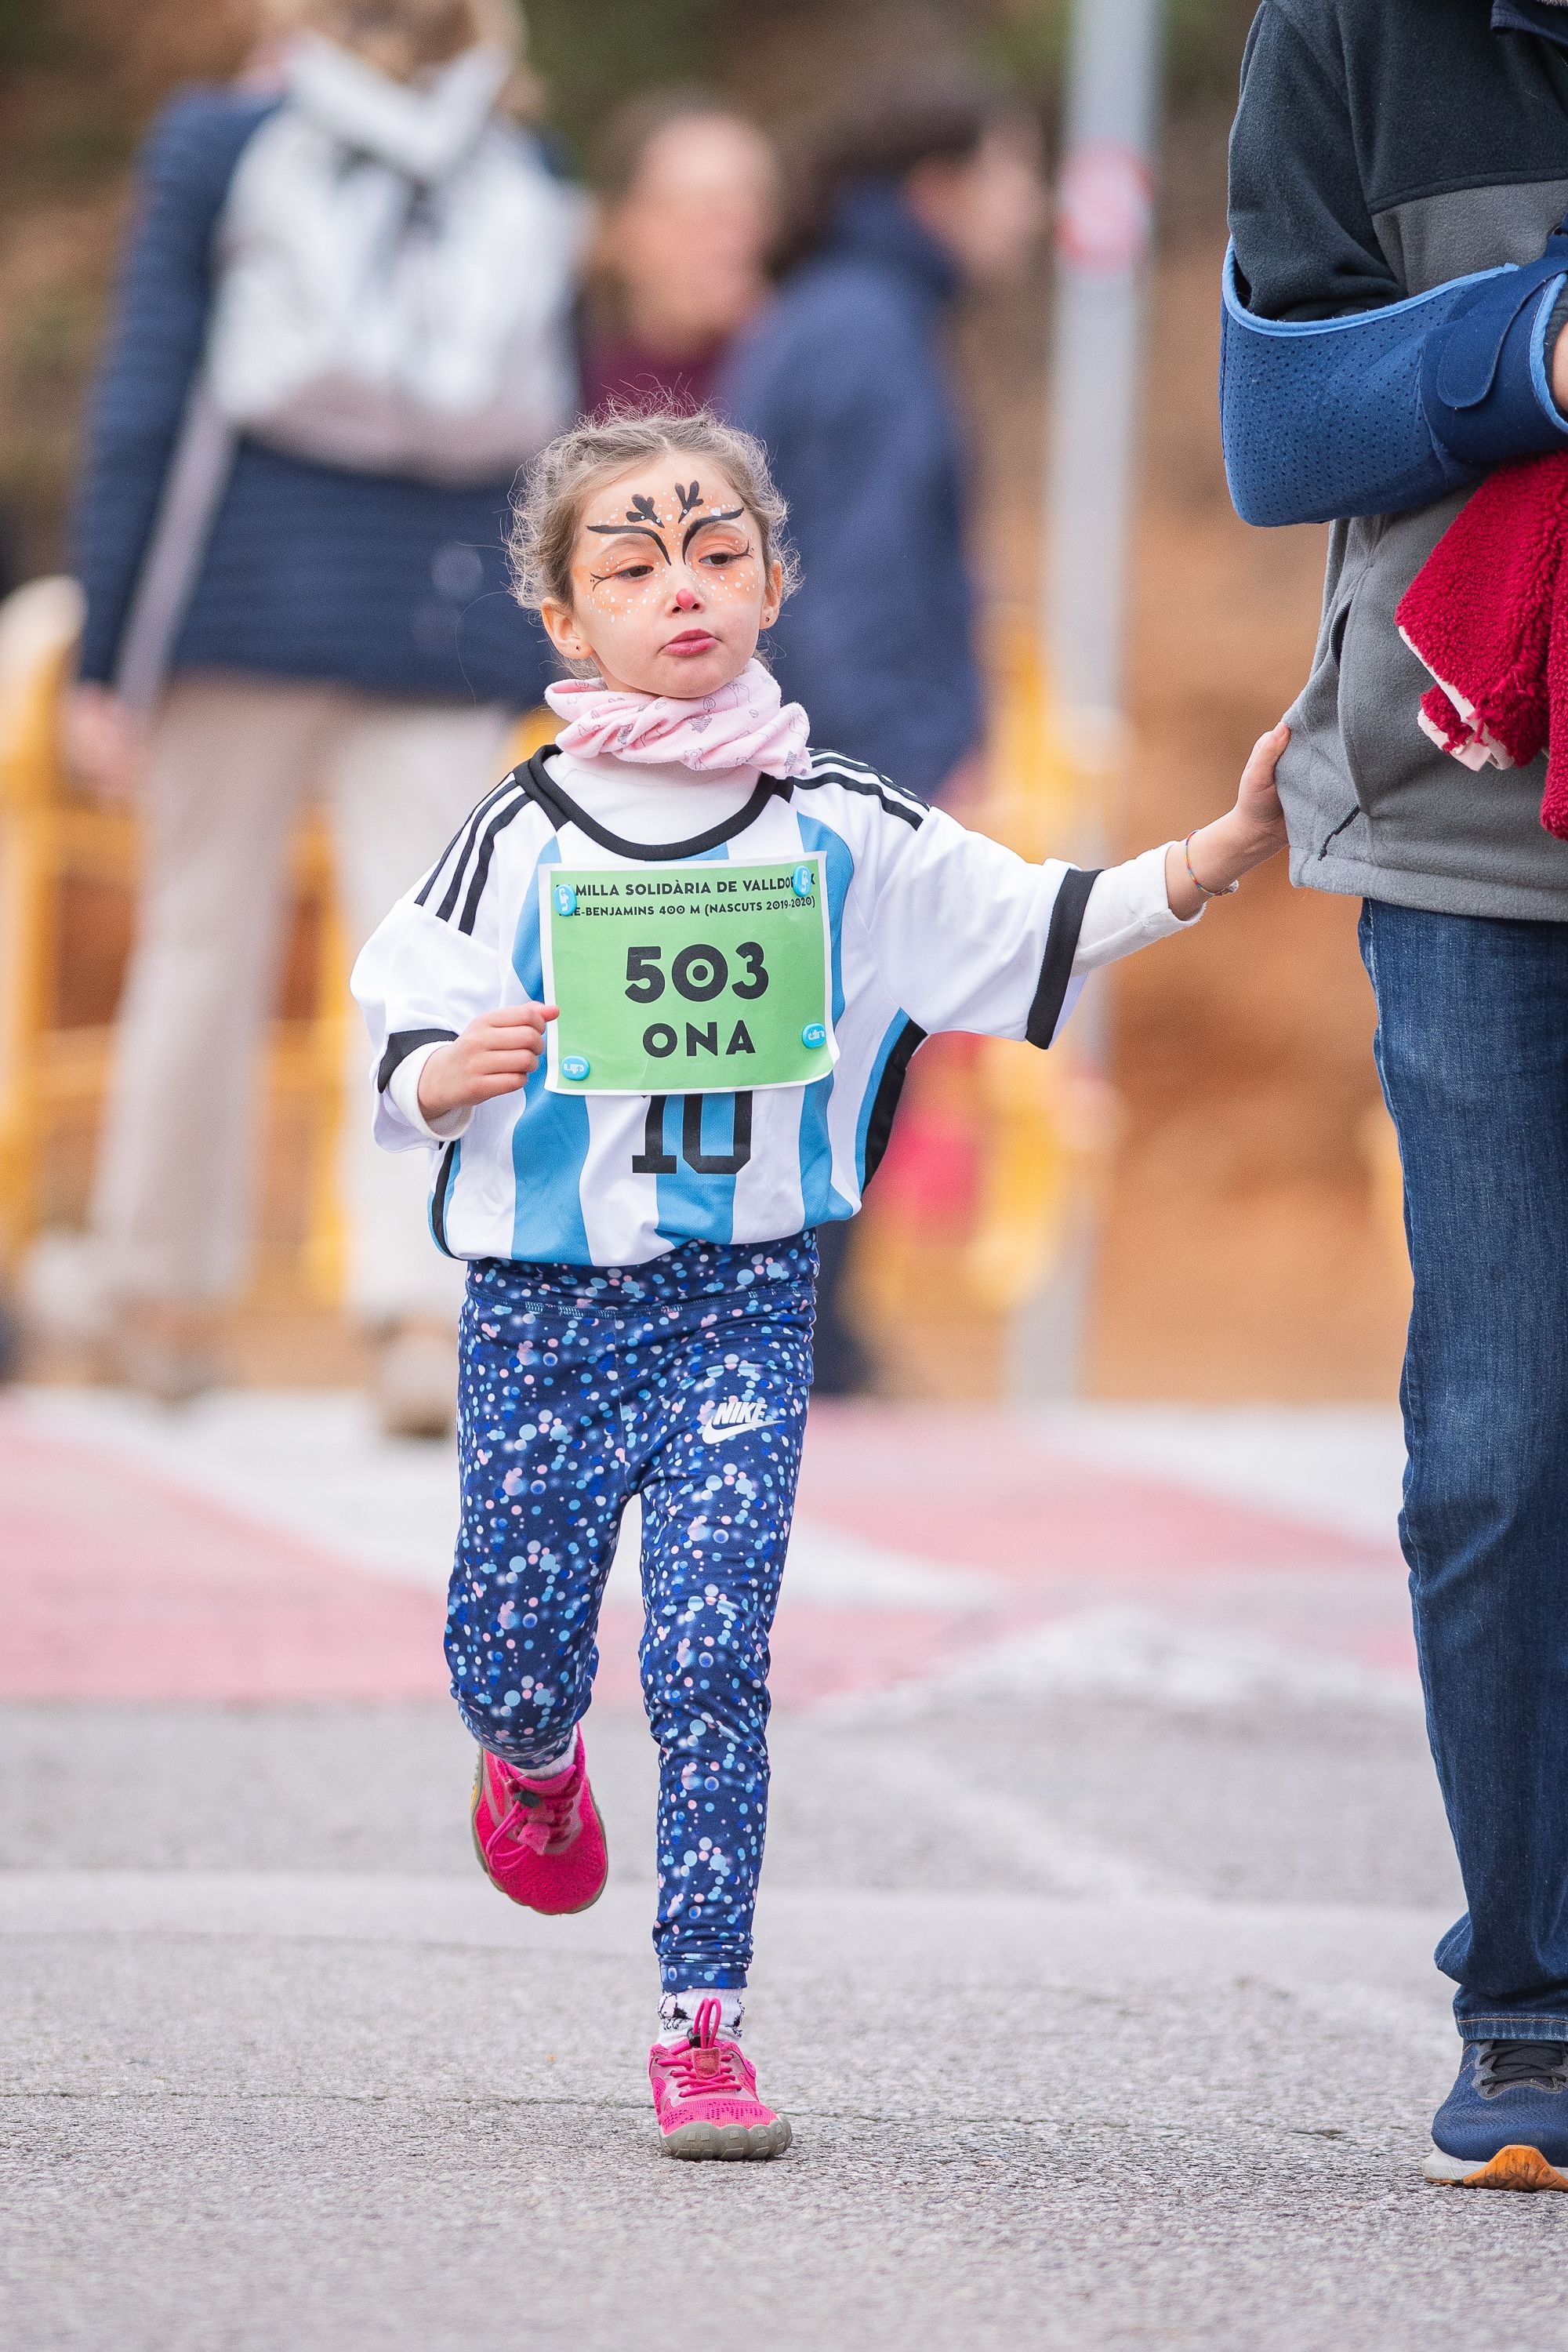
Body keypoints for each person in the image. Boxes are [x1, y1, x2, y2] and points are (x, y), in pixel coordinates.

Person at [350, 406, 1289, 2158]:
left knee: (712, 1659)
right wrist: (437, 1073)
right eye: (630, 565)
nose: (680, 588)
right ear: (564, 618)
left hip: (742, 1299)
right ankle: (531, 1756)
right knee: (513, 1646)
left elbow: (1030, 922)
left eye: (717, 553)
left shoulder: (844, 824)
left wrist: (1213, 858)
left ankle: (701, 2024)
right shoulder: (519, 830)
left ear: (775, 579)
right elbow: (396, 1011)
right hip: (542, 1309)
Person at [1227, 0, 1568, 2192]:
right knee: (1509, 1442)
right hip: (1472, 828)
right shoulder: (1348, 27)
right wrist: (1536, 354)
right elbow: (1278, 432)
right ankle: (1534, 2003)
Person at [64, 0, 582, 1430]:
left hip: (238, 603)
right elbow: (556, 439)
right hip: (441, 616)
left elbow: (149, 405)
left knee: (198, 940)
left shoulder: (225, 142)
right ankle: (418, 1312)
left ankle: (161, 1294)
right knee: (429, 960)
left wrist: (109, 648)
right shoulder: (521, 164)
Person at [717, 71, 1047, 1391]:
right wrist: (890, 771)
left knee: (809, 1049)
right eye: (1015, 175)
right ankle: (808, 1341)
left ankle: (815, 1333)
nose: (1029, 209)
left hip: (815, 747)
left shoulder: (851, 317)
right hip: (839, 756)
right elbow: (848, 584)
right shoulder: (866, 336)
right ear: (941, 187)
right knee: (825, 1050)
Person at [581, 91, 780, 419]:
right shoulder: (561, 385)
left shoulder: (807, 367)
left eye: (754, 202)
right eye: (699, 207)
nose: (736, 235)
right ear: (618, 229)